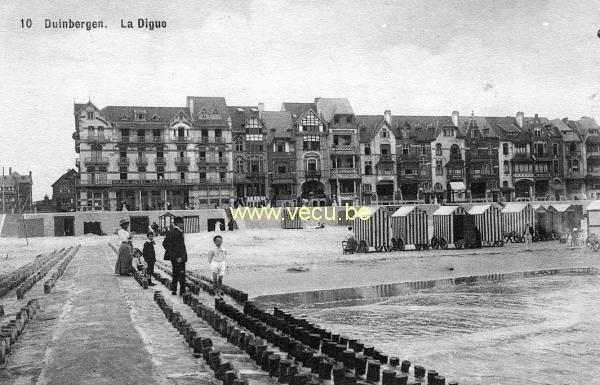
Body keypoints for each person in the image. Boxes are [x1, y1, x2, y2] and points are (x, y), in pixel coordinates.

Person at [163, 216, 187, 295]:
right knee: (181, 274)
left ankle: (174, 290)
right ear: (179, 223)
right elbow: (181, 247)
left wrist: (171, 254)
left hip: (173, 258)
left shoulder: (170, 232)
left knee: (175, 273)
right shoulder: (179, 233)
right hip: (179, 258)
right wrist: (180, 257)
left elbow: (164, 243)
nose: (182, 225)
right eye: (182, 223)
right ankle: (182, 291)